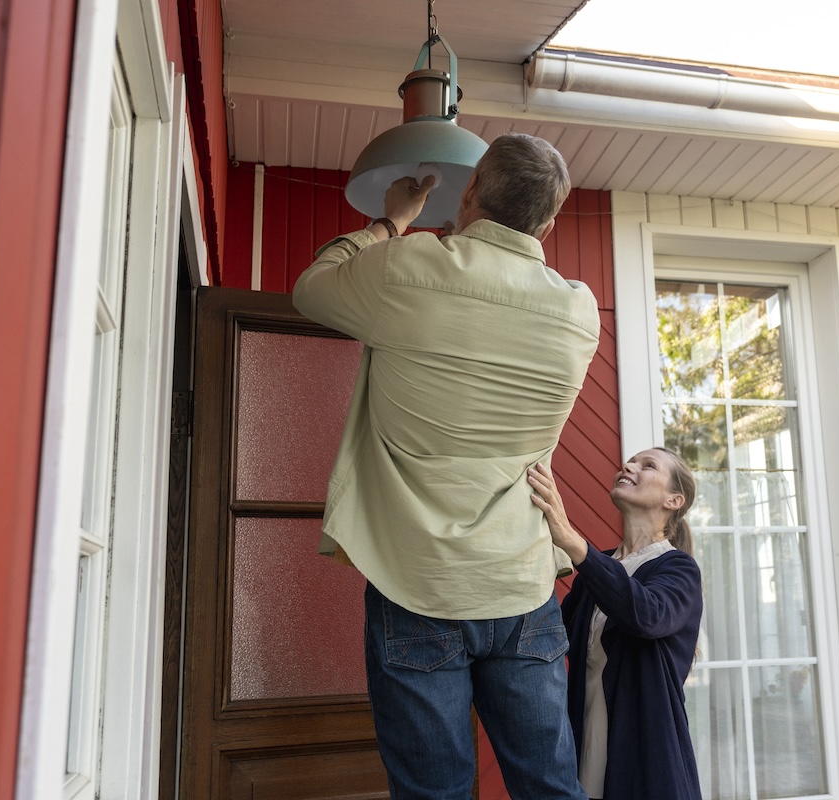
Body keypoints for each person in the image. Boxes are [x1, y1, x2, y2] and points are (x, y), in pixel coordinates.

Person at [292, 132, 599, 800]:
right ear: (547, 223)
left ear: (471, 190)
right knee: (552, 790)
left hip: (418, 586)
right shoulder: (580, 310)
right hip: (522, 586)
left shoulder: (407, 266)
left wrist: (388, 222)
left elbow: (311, 290)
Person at [527, 448, 704, 800]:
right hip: (583, 750)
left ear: (674, 500)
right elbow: (551, 637)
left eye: (647, 465)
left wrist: (575, 545)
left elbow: (647, 615)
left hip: (646, 758)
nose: (628, 466)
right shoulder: (600, 568)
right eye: (630, 461)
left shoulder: (679, 569)